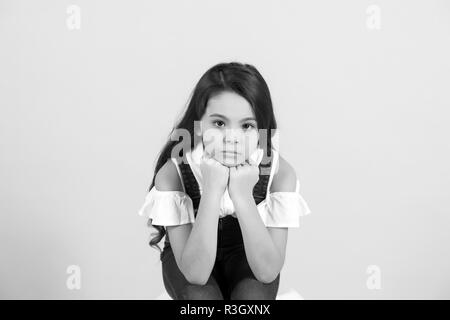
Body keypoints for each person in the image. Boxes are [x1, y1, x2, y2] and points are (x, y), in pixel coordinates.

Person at [138, 62, 311, 300]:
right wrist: (212, 190)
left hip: (247, 254)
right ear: (199, 124)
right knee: (202, 302)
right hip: (190, 256)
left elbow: (268, 270)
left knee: (252, 301)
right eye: (219, 124)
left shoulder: (280, 174)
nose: (232, 138)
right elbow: (196, 273)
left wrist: (242, 195)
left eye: (247, 126)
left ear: (262, 128)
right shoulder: (173, 175)